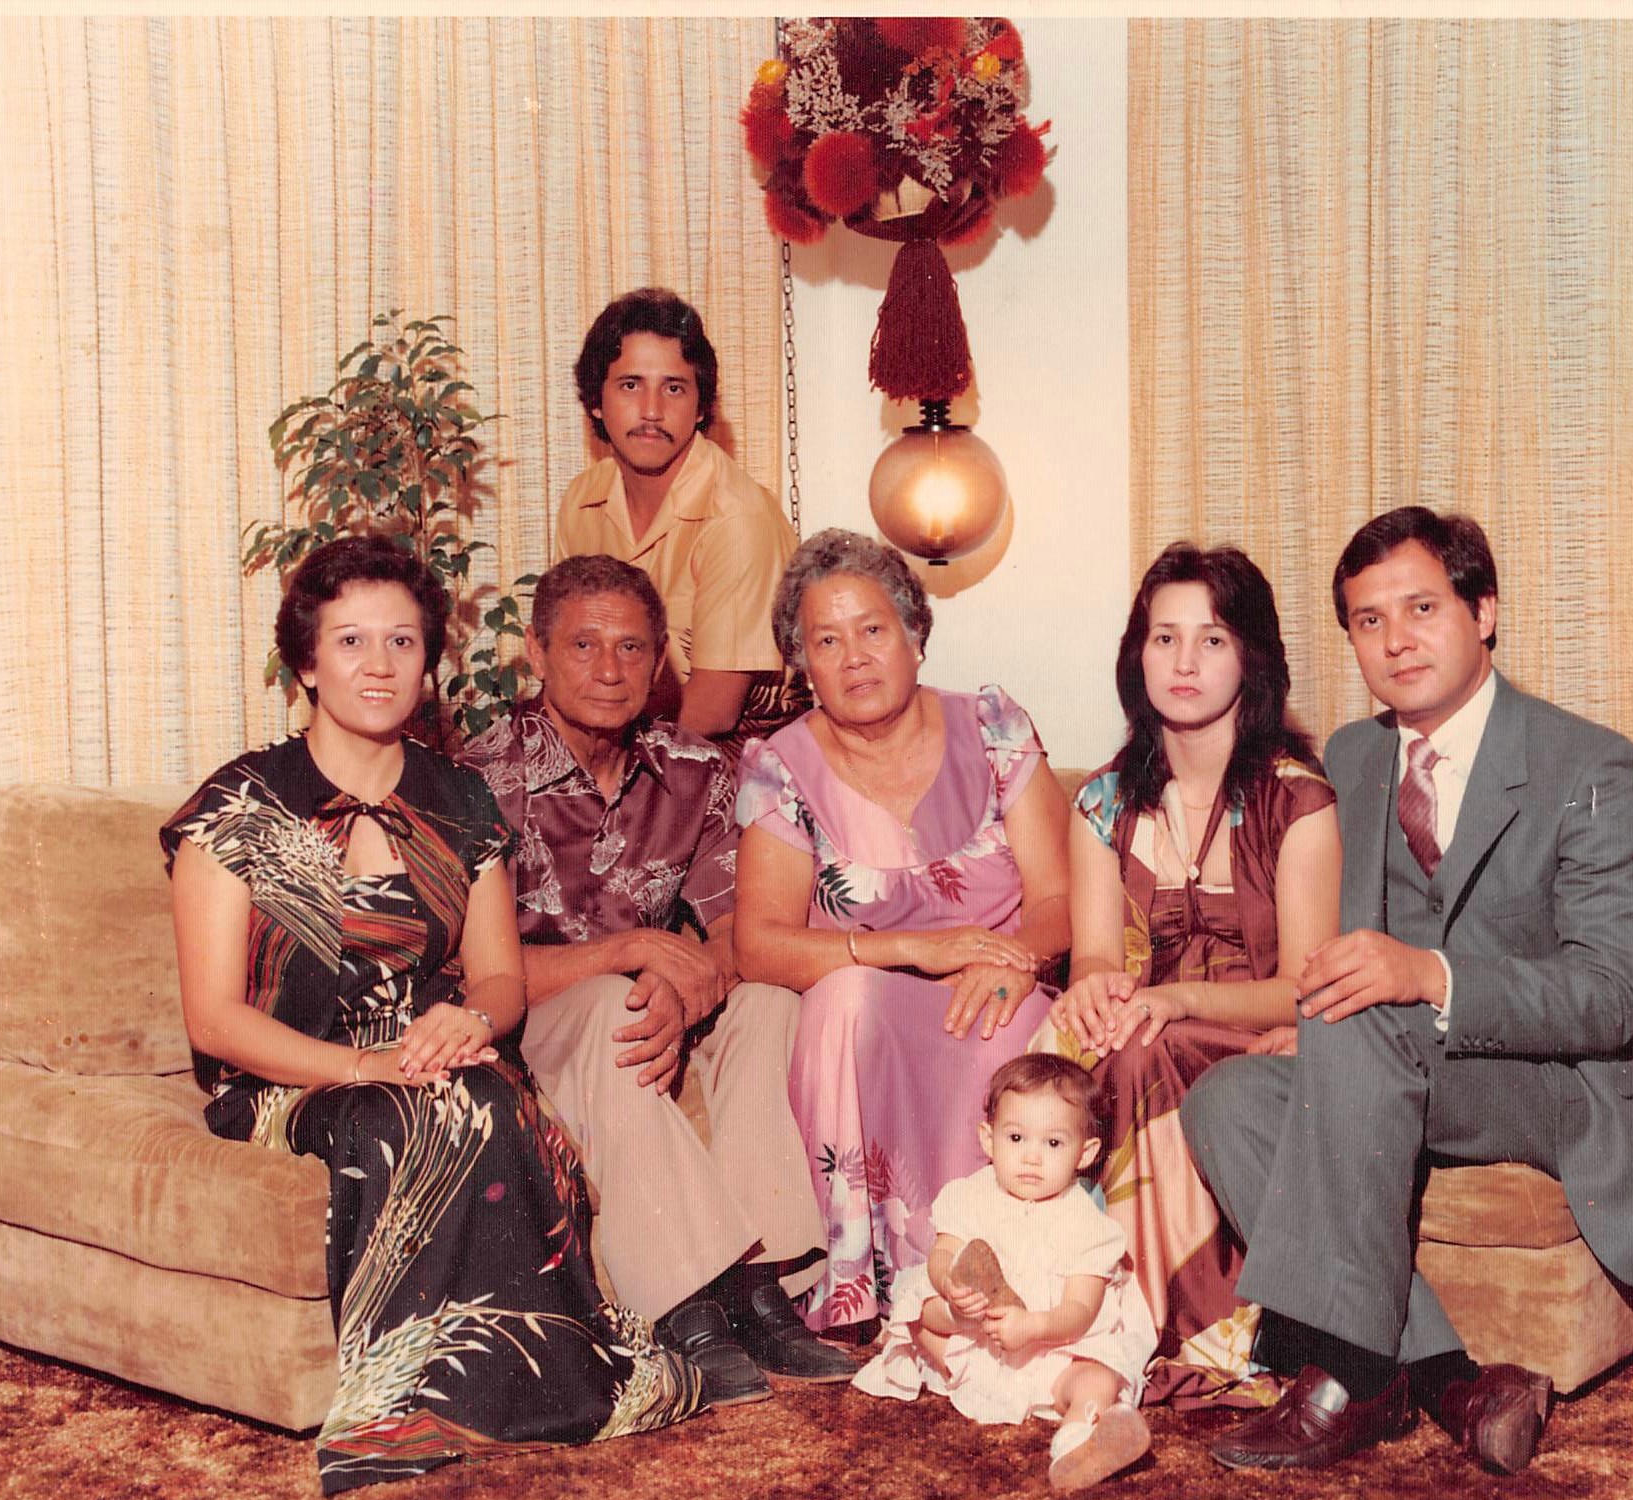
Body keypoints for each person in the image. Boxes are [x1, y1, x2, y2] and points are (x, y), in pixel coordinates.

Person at [1182, 506, 1633, 1475]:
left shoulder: (1588, 765)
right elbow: (1340, 961)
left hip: (1559, 1083)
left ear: (1482, 611)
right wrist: (1322, 1037)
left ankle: (1341, 1377)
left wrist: (1426, 976)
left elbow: (1607, 1000)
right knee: (1224, 1099)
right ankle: (1447, 1381)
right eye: (1365, 621)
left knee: (1365, 1018)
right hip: (1406, 1062)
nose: (1393, 640)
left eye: (1420, 607)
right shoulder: (1351, 760)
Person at [162, 534, 703, 1495]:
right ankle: (397, 1403)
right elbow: (213, 1021)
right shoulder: (239, 806)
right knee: (395, 1114)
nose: (379, 666)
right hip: (293, 1078)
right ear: (306, 661)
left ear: (429, 661)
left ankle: (540, 1388)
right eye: (352, 642)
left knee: (498, 1103)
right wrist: (361, 1067)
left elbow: (497, 978)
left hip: (431, 1052)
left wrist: (472, 1025)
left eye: (402, 643)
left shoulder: (459, 798)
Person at [460, 555, 856, 1405]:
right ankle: (683, 1300)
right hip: (532, 1015)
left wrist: (688, 986)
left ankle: (763, 1284)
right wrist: (630, 953)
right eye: (584, 645)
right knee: (612, 1000)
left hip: (643, 1004)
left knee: (767, 1000)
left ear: (659, 660)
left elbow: (739, 936)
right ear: (536, 652)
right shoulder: (478, 780)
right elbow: (474, 970)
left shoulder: (698, 770)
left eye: (633, 648)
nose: (610, 670)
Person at [734, 529, 1073, 1335]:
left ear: (916, 636)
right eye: (826, 640)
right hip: (868, 1009)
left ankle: (982, 1289)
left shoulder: (993, 726)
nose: (854, 656)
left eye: (873, 629)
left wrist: (1017, 961)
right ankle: (861, 1288)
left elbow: (1063, 895)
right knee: (847, 996)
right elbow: (760, 943)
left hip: (997, 985)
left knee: (1007, 1030)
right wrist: (908, 947)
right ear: (801, 665)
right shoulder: (778, 766)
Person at [1050, 544, 1340, 1407]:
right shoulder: (1102, 802)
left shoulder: (1300, 802)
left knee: (1146, 1044)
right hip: (1149, 1028)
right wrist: (1099, 987)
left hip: (1261, 1038)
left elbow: (1303, 984)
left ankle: (1171, 1332)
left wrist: (1171, 999)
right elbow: (1097, 955)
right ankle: (1076, 1310)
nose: (1183, 662)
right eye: (1163, 637)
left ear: (1252, 656)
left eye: (1211, 640)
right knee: (1073, 1046)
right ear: (1134, 656)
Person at [852, 1055, 1158, 1494]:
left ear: (1084, 1153)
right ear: (989, 1139)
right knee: (920, 1314)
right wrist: (954, 1293)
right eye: (1016, 1138)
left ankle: (1077, 1439)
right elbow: (943, 1255)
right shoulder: (971, 1195)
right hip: (974, 1334)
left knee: (1099, 1376)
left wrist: (1036, 1326)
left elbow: (1081, 1309)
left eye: (1053, 1144)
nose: (1031, 1158)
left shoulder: (1089, 1226)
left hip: (1056, 1346)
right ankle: (965, 1370)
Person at [556, 287, 804, 752]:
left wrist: (598, 751)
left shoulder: (736, 518)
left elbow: (714, 708)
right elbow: (569, 656)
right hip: (620, 731)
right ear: (596, 401)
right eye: (630, 385)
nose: (652, 411)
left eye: (674, 388)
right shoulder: (580, 502)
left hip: (744, 747)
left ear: (701, 406)